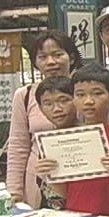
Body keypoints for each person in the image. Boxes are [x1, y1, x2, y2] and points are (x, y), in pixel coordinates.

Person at [35, 64, 109, 217]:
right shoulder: (64, 140)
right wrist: (47, 175)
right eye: (80, 95)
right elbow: (66, 193)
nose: (88, 101)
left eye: (97, 93)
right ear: (74, 99)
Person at [6, 30, 82, 209]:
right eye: (43, 57)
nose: (51, 62)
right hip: (38, 181)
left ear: (71, 58)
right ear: (35, 62)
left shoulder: (84, 91)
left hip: (81, 176)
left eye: (58, 54)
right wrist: (14, 191)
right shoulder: (24, 95)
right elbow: (18, 145)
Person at [33, 76, 77, 209]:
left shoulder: (89, 137)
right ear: (40, 108)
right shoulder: (47, 141)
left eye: (64, 101)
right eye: (48, 104)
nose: (57, 109)